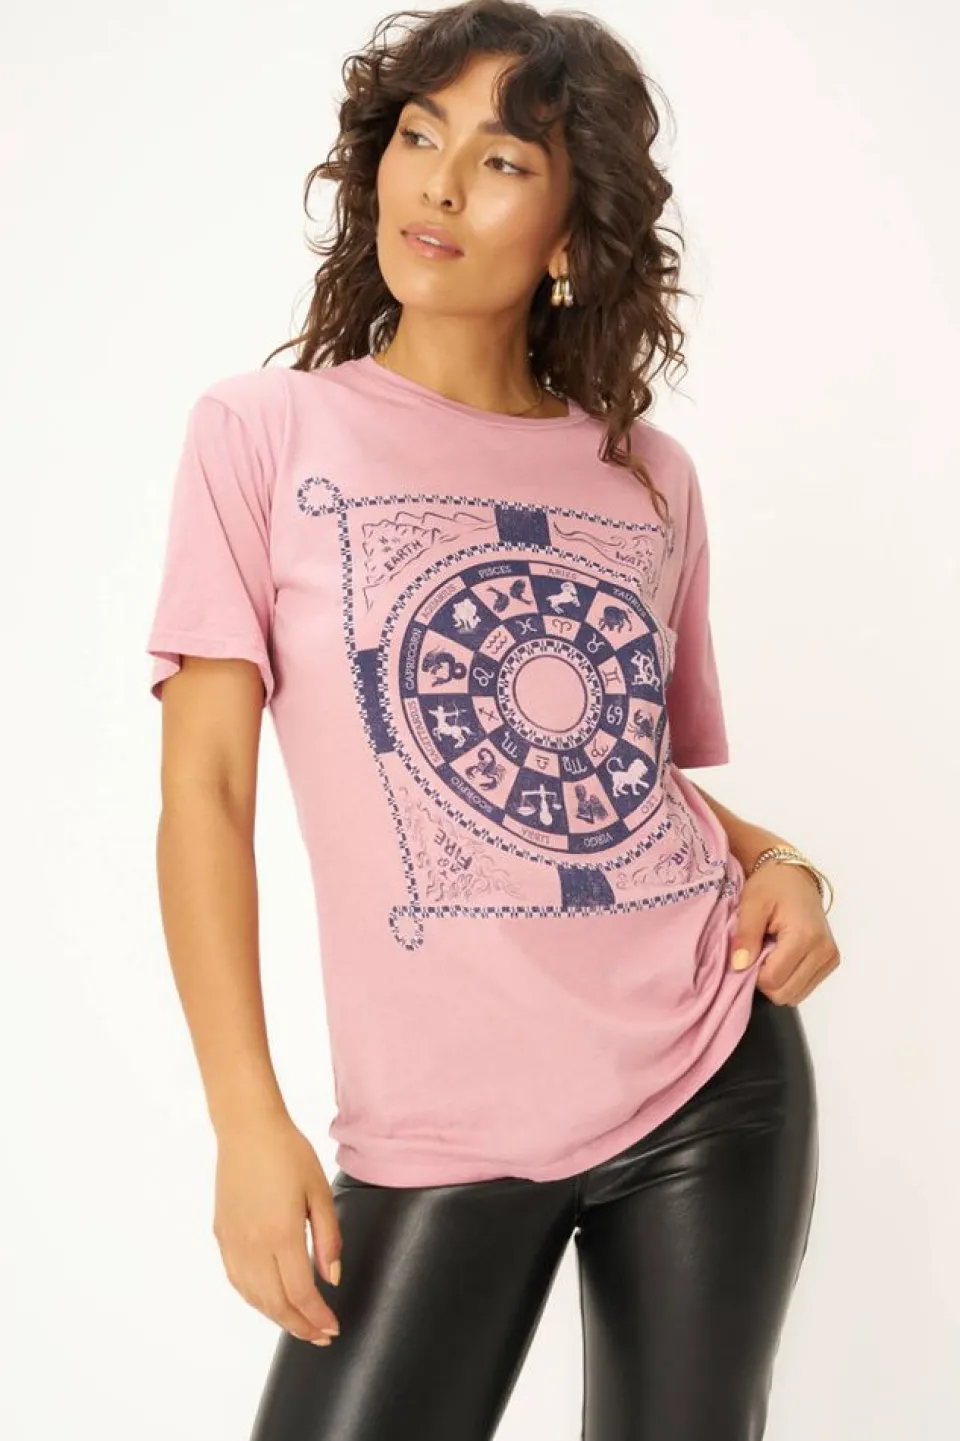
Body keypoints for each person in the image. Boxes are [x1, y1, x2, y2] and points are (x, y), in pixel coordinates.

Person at [145, 3, 840, 1437]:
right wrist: (245, 1119)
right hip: (439, 1123)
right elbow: (205, 791)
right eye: (420, 136)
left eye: (505, 160)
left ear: (575, 233)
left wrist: (780, 862)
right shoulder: (263, 434)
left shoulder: (648, 477)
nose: (442, 185)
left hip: (710, 1077)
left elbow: (616, 778)